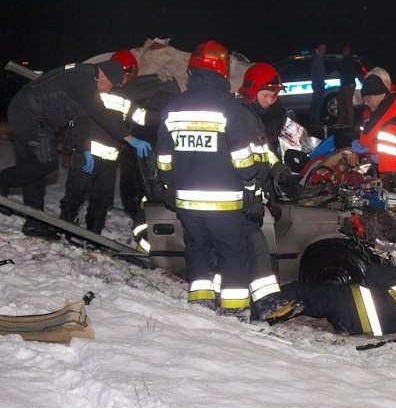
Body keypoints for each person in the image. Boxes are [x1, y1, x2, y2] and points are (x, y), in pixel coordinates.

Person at [156, 40, 256, 317]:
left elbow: (164, 159)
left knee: (197, 250)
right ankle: (234, 311)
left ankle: (200, 306)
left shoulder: (173, 108)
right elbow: (242, 158)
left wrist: (169, 186)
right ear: (223, 72)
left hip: (187, 203)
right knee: (233, 253)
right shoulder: (230, 107)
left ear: (192, 71)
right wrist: (251, 187)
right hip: (225, 205)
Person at [0, 59, 152, 238]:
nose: (109, 89)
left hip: (26, 112)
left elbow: (81, 118)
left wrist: (85, 148)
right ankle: (2, 182)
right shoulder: (82, 79)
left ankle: (34, 223)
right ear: (105, 75)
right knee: (46, 163)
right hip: (29, 115)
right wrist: (130, 138)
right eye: (111, 85)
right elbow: (99, 112)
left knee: (35, 167)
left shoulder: (85, 79)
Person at [237, 62, 300, 321]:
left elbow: (264, 152)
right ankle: (260, 303)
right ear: (251, 91)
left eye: (274, 95)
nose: (271, 100)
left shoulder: (260, 117)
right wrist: (250, 195)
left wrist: (279, 170)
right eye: (266, 94)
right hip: (237, 197)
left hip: (249, 198)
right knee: (251, 247)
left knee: (252, 248)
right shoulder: (239, 117)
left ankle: (261, 303)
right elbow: (241, 160)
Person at [59, 50, 142, 236]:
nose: (128, 81)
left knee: (101, 200)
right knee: (75, 193)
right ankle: (63, 227)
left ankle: (94, 236)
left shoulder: (128, 98)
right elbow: (77, 120)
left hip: (109, 161)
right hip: (85, 154)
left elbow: (139, 120)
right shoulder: (91, 89)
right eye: (128, 76)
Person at [271, 264, 396, 336]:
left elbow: (371, 274)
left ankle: (262, 308)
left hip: (353, 309)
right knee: (317, 299)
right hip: (371, 324)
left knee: (301, 291)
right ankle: (294, 307)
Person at [336, 45, 359, 126]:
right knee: (341, 103)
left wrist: (341, 67)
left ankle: (350, 122)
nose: (343, 52)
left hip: (349, 84)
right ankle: (340, 122)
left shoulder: (350, 60)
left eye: (345, 50)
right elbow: (340, 69)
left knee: (348, 103)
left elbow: (345, 70)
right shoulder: (344, 59)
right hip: (343, 84)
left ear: (348, 51)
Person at [309, 43, 326, 125]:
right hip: (318, 84)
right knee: (317, 103)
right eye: (323, 48)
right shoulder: (318, 59)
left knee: (315, 103)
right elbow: (319, 73)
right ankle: (315, 121)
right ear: (319, 49)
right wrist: (321, 84)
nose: (324, 50)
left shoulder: (317, 59)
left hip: (317, 84)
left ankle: (313, 120)